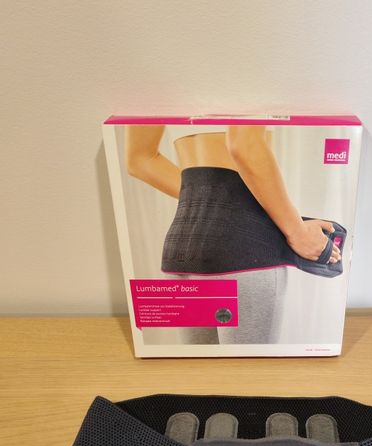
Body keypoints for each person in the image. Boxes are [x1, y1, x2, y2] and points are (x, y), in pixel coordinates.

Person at [125, 124, 341, 343]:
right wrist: (297, 232)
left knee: (199, 364)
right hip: (243, 247)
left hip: (180, 245)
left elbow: (140, 160)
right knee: (248, 366)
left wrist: (207, 199)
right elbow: (244, 144)